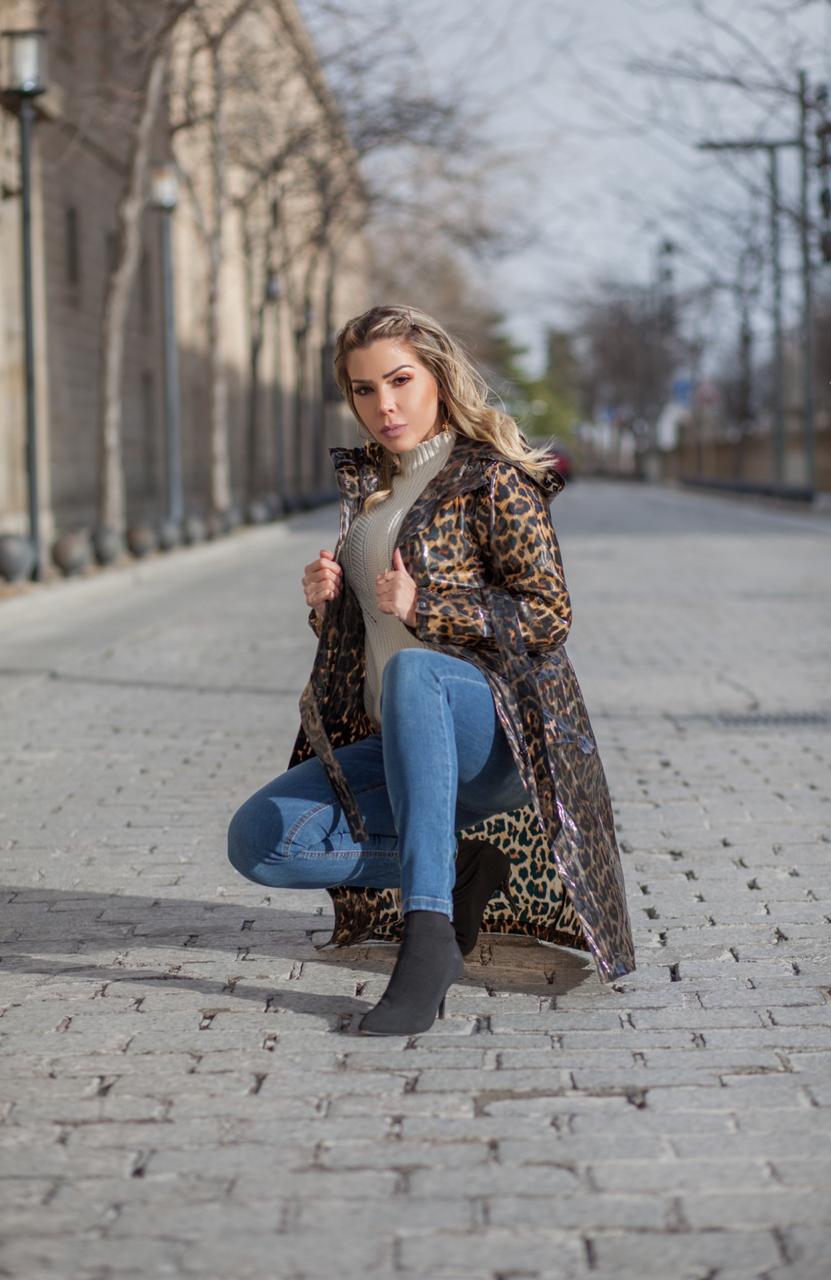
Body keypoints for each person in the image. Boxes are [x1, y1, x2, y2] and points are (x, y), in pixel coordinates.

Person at [227, 303, 635, 1036]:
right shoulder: (371, 491)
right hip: (398, 742)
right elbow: (377, 628)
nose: (383, 405)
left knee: (418, 671)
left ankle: (427, 940)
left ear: (438, 379)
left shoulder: (490, 479)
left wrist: (430, 607)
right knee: (262, 841)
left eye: (400, 381)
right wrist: (328, 607)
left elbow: (548, 616)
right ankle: (460, 868)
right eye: (363, 389)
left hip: (493, 736)